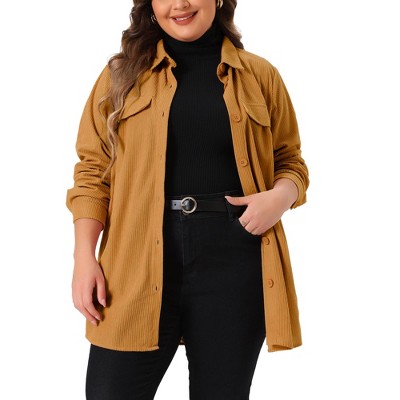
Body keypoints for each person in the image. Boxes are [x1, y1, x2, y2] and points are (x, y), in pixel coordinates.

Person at [66, 0, 309, 398]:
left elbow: (290, 161)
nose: (179, 4)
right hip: (135, 259)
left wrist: (280, 197)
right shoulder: (119, 76)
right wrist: (83, 256)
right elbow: (93, 172)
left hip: (234, 260)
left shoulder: (259, 75)